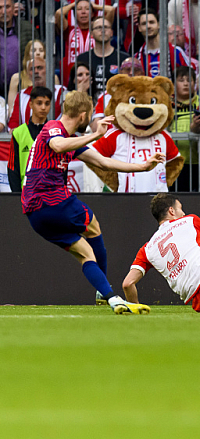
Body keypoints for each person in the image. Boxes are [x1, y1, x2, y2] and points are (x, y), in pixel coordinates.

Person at [22, 91, 163, 315]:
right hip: (50, 200)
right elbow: (58, 146)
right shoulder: (53, 127)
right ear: (84, 115)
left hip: (35, 215)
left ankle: (110, 296)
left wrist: (142, 167)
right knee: (92, 224)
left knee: (86, 252)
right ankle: (103, 291)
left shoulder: (71, 140)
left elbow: (103, 163)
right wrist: (95, 135)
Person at [8, 86, 51, 192]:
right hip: (26, 193)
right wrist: (17, 195)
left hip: (50, 194)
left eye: (47, 103)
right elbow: (13, 168)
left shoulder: (55, 132)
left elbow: (62, 167)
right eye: (39, 103)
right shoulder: (18, 133)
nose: (43, 107)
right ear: (31, 104)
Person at [7, 57, 68, 130]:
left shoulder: (61, 91)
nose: (36, 71)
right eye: (32, 69)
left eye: (39, 68)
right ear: (27, 75)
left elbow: (68, 117)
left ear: (48, 71)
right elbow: (14, 122)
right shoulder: (21, 95)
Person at [76, 16, 130, 97]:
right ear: (91, 34)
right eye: (98, 27)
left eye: (106, 27)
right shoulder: (82, 59)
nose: (103, 30)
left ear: (111, 32)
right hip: (88, 105)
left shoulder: (124, 59)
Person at [0, 0, 39, 96]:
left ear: (14, 9)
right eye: (0, 8)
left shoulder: (27, 29)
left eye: (7, 7)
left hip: (22, 88)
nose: (3, 12)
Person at [136, 8, 190, 78]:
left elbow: (190, 77)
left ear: (158, 25)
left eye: (151, 22)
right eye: (144, 24)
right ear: (139, 28)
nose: (148, 26)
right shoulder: (137, 58)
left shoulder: (176, 52)